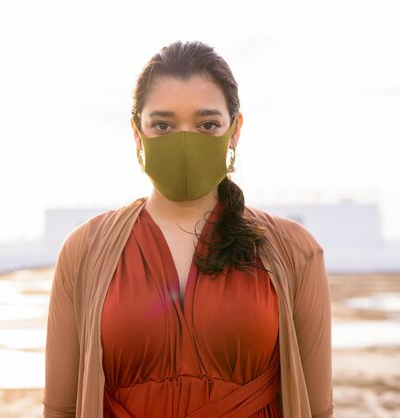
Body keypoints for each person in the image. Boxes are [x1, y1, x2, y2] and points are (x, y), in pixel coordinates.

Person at [43, 41, 333, 418]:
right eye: (163, 125)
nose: (184, 143)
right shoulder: (84, 250)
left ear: (235, 130)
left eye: (207, 124)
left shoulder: (295, 251)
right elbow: (61, 410)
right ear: (137, 132)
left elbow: (317, 409)